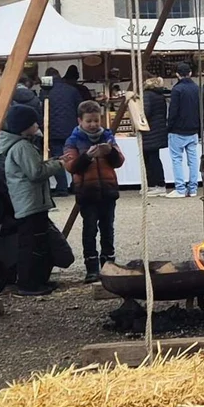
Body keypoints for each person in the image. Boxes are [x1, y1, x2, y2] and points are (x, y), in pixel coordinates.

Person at [0, 102, 57, 296]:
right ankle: (29, 283)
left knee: (34, 242)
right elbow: (36, 172)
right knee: (32, 244)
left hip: (27, 202)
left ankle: (36, 280)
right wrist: (59, 165)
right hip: (30, 203)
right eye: (33, 123)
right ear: (24, 126)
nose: (37, 125)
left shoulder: (18, 145)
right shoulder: (22, 147)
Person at [61, 99, 123, 282]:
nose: (93, 124)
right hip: (87, 193)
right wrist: (87, 156)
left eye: (96, 120)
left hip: (108, 191)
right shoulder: (72, 141)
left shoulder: (108, 137)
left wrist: (109, 152)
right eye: (89, 121)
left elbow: (119, 161)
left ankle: (109, 265)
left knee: (108, 229)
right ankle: (92, 268)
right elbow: (71, 166)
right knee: (89, 230)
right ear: (80, 121)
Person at [45, 65, 89, 195]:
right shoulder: (72, 90)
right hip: (71, 129)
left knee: (58, 158)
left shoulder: (46, 92)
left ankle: (62, 187)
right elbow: (81, 108)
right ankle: (76, 184)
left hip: (53, 131)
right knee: (74, 156)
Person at [166, 61, 202, 199]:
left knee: (177, 159)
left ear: (177, 75)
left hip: (177, 130)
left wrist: (169, 127)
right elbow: (201, 110)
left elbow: (173, 111)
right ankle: (193, 188)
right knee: (193, 160)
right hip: (193, 129)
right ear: (190, 73)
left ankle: (180, 189)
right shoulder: (197, 88)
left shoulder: (177, 90)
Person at [139, 76, 169, 191]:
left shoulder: (147, 95)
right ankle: (156, 184)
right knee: (154, 158)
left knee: (150, 159)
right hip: (158, 130)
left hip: (149, 131)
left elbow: (146, 112)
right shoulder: (160, 96)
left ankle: (156, 184)